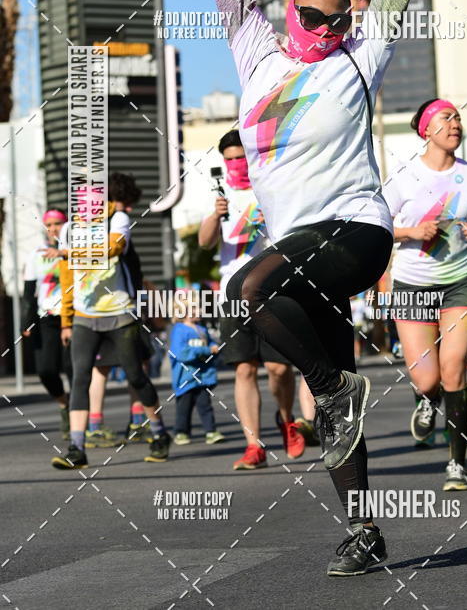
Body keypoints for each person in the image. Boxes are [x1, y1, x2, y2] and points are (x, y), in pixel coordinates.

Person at [196, 0, 467, 573]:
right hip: (301, 247)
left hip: (357, 234)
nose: (324, 33)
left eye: (334, 22)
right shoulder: (254, 51)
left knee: (245, 289)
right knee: (334, 403)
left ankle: (335, 389)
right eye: (311, 19)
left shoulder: (361, 56)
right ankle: (366, 529)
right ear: (289, 10)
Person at [383, 99, 467, 490]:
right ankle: (426, 401)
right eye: (446, 118)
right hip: (412, 283)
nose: (455, 123)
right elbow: (377, 227)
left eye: (458, 117)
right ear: (426, 129)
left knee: (454, 368)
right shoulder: (404, 178)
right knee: (427, 380)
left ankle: (457, 465)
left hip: (460, 280)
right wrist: (412, 232)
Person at [198, 129, 305, 469]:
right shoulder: (219, 193)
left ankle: (286, 419)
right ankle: (253, 445)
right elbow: (204, 243)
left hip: (272, 288)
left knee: (278, 368)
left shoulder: (270, 185)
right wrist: (216, 216)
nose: (235, 164)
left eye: (240, 157)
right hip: (232, 291)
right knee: (244, 369)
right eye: (229, 159)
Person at [51, 186, 171, 470]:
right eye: (80, 201)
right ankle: (76, 448)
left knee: (135, 375)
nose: (86, 206)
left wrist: (71, 252)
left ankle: (158, 432)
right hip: (84, 315)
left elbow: (115, 247)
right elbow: (67, 277)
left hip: (120, 313)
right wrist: (66, 320)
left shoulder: (116, 220)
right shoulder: (69, 228)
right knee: (80, 378)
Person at [22, 209, 72, 439]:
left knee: (73, 370)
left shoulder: (76, 252)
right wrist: (26, 322)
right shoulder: (36, 254)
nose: (53, 228)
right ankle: (64, 405)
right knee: (45, 370)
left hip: (72, 316)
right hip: (46, 318)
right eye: (49, 224)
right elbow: (29, 292)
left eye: (58, 223)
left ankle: (83, 421)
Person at [170, 295, 224, 445]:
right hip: (185, 378)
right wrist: (206, 350)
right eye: (194, 308)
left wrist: (214, 348)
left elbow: (211, 343)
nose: (199, 310)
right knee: (184, 408)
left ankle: (211, 431)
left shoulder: (202, 329)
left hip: (203, 377)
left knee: (205, 405)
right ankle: (181, 432)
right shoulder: (179, 330)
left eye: (199, 307)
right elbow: (181, 353)